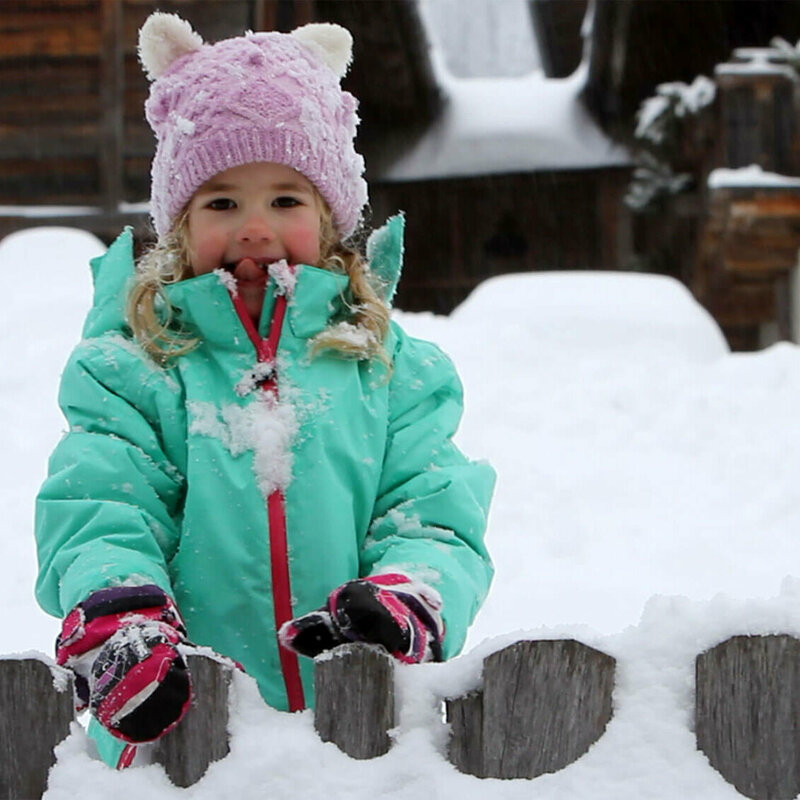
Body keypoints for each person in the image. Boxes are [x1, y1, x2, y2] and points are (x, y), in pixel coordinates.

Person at [35, 12, 495, 768]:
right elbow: (103, 504)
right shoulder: (133, 369)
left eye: (285, 200)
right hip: (177, 743)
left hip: (356, 742)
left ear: (331, 220)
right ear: (180, 226)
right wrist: (120, 611)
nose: (254, 227)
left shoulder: (391, 371)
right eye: (221, 203)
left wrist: (407, 592)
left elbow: (431, 510)